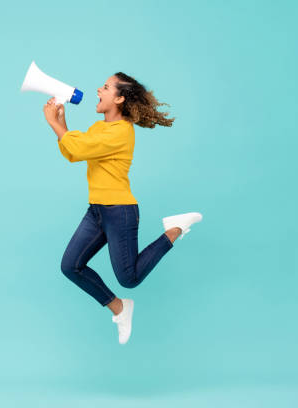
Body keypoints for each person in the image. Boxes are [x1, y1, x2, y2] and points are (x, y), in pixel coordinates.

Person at [43, 72, 202, 345]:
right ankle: (119, 307)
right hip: (97, 211)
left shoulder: (122, 132)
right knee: (71, 266)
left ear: (118, 98)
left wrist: (53, 123)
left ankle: (174, 230)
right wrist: (60, 124)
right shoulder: (98, 129)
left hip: (119, 212)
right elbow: (73, 152)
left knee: (129, 279)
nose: (98, 90)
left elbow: (78, 148)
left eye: (105, 87)